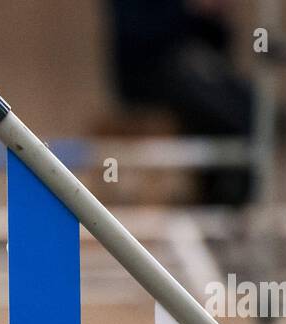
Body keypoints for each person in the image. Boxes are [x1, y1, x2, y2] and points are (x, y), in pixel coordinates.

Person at [104, 0, 254, 204]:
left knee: (264, 113)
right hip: (148, 75)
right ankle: (220, 206)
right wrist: (189, 10)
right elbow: (136, 36)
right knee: (232, 118)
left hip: (190, 72)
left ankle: (226, 206)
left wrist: (213, 15)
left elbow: (219, 47)